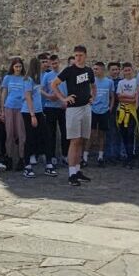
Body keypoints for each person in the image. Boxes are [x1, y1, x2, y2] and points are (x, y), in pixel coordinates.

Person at [51, 44, 96, 186]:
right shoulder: (69, 71)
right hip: (73, 109)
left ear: (85, 56)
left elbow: (93, 86)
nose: (78, 58)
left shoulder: (89, 71)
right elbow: (54, 84)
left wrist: (92, 97)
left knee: (82, 139)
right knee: (74, 140)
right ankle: (71, 174)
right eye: (76, 55)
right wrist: (63, 98)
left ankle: (77, 171)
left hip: (86, 108)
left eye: (80, 55)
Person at [22, 57, 53, 178]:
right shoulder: (28, 80)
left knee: (47, 136)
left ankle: (49, 164)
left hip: (39, 111)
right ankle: (27, 166)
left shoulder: (39, 79)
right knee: (30, 138)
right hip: (28, 112)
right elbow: (28, 97)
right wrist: (32, 115)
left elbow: (39, 94)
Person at [1, 57, 30, 170]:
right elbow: (4, 93)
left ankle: (21, 158)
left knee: (21, 134)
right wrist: (2, 109)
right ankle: (9, 157)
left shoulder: (25, 79)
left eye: (20, 66)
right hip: (9, 107)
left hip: (21, 108)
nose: (18, 69)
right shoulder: (8, 78)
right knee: (9, 134)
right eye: (16, 66)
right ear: (12, 67)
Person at [41, 54, 68, 166]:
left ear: (59, 62)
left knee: (65, 133)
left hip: (63, 107)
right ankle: (51, 156)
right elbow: (41, 90)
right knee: (51, 134)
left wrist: (66, 101)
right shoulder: (47, 76)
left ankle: (65, 156)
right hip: (50, 107)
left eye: (56, 63)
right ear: (50, 64)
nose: (54, 65)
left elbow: (71, 89)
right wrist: (48, 96)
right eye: (52, 64)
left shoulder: (65, 74)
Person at [87, 61, 113, 167]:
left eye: (96, 69)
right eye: (93, 69)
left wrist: (110, 107)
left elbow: (112, 96)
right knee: (91, 134)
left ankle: (100, 157)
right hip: (93, 110)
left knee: (102, 134)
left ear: (102, 70)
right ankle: (85, 157)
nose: (94, 71)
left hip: (104, 111)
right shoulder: (91, 81)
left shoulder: (109, 82)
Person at [115, 62, 139, 168]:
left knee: (130, 134)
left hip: (132, 112)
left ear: (132, 70)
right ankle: (127, 156)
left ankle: (130, 157)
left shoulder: (136, 81)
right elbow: (119, 97)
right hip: (121, 111)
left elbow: (135, 98)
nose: (127, 72)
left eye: (129, 70)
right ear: (123, 71)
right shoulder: (121, 83)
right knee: (124, 134)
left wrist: (126, 96)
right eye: (125, 70)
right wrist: (130, 97)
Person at [104, 61, 124, 163]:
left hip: (121, 110)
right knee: (110, 132)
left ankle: (120, 154)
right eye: (113, 70)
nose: (115, 71)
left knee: (120, 132)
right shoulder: (106, 82)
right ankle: (110, 154)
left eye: (117, 69)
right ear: (109, 71)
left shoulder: (122, 81)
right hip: (110, 110)